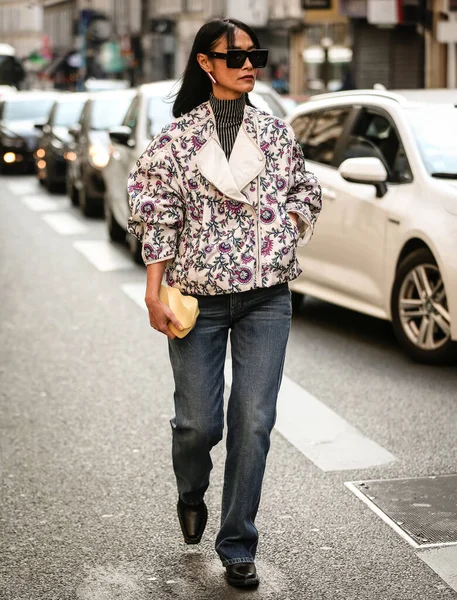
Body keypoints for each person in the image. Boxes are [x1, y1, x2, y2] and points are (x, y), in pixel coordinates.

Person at [127, 17, 322, 588]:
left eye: (253, 55)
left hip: (266, 298)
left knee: (254, 420)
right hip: (199, 301)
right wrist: (152, 292)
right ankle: (191, 491)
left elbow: (305, 190)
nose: (247, 65)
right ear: (205, 64)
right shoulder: (176, 140)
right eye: (233, 56)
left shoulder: (276, 133)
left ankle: (238, 543)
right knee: (197, 424)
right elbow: (156, 216)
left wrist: (283, 227)